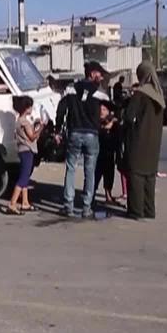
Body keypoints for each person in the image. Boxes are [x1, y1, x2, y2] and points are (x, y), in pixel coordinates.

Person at [55, 61, 108, 219]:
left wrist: (58, 130)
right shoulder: (99, 91)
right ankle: (86, 207)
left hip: (74, 133)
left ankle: (68, 205)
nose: (102, 76)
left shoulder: (71, 89)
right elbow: (111, 108)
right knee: (89, 171)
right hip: (92, 134)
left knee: (71, 168)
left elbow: (61, 110)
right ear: (92, 74)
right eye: (99, 73)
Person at [121, 62, 165, 221]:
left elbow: (128, 117)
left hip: (138, 140)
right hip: (154, 143)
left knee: (136, 175)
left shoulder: (140, 94)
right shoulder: (159, 96)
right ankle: (149, 210)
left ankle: (136, 211)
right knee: (149, 177)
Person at [4, 96, 42, 216]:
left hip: (22, 150)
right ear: (27, 108)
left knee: (24, 177)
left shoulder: (19, 120)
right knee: (24, 178)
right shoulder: (24, 122)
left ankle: (25, 202)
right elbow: (32, 137)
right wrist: (41, 127)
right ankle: (12, 203)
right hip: (27, 150)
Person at [95, 102, 122, 206]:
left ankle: (108, 195)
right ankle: (90, 194)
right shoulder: (96, 122)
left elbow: (118, 138)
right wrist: (105, 128)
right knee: (95, 175)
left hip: (109, 153)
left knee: (109, 175)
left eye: (104, 109)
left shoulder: (114, 123)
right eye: (100, 109)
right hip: (97, 154)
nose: (102, 111)